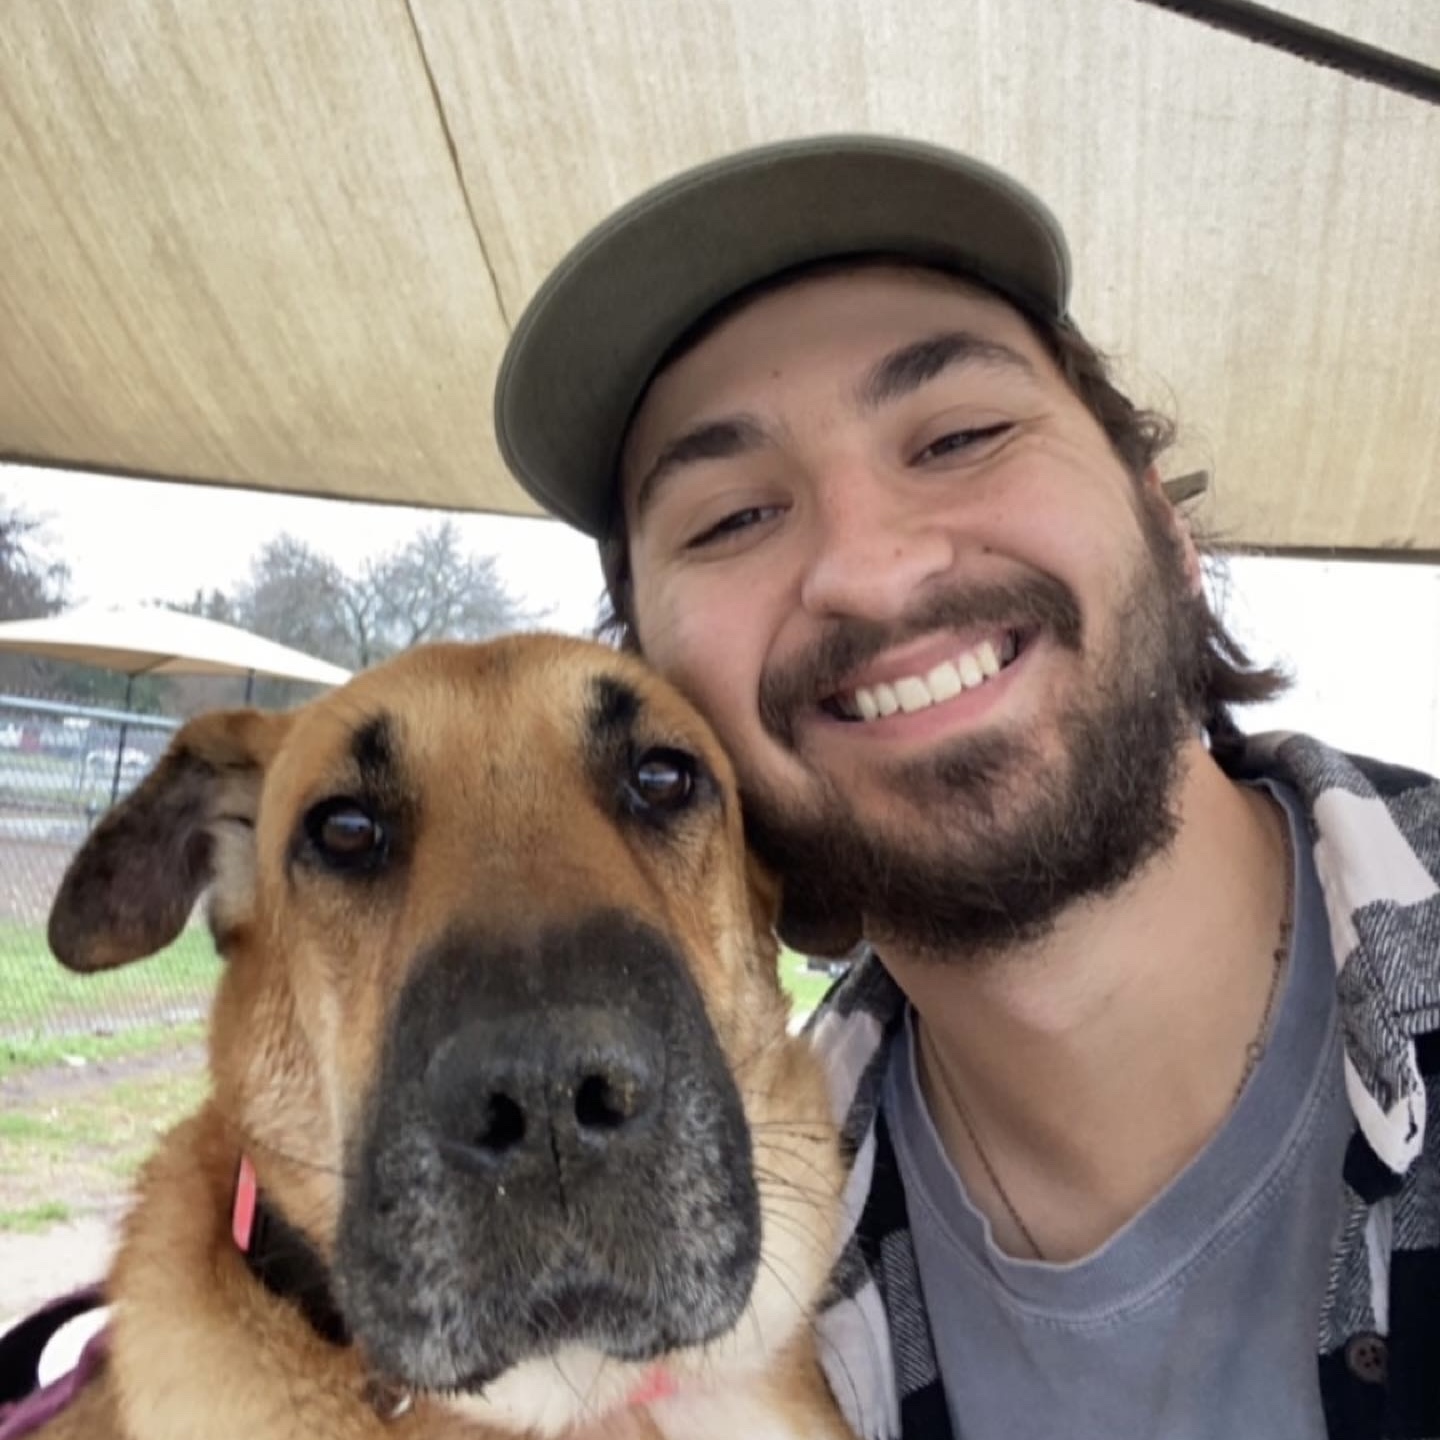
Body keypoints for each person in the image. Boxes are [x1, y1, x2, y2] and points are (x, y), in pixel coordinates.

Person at [494, 135, 1439, 1440]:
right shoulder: (708, 1315)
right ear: (665, 711)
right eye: (730, 519)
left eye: (961, 436)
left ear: (1167, 535)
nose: (870, 570)